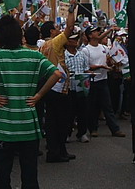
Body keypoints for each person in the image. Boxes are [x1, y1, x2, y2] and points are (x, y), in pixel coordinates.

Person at [0, 15, 61, 189]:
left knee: (2, 175)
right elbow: (57, 74)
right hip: (28, 124)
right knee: (30, 175)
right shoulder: (34, 55)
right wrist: (38, 95)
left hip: (3, 125)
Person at [40, 9, 76, 163]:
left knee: (51, 120)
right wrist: (71, 11)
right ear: (51, 31)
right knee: (61, 120)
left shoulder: (43, 46)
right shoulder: (55, 42)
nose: (59, 30)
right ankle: (57, 151)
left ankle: (55, 149)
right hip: (58, 87)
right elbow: (70, 28)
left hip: (48, 86)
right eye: (56, 28)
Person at [83, 26, 125, 138]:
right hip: (92, 81)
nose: (98, 32)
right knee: (93, 106)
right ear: (90, 35)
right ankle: (93, 129)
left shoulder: (103, 48)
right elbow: (87, 67)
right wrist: (100, 66)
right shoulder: (86, 50)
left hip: (103, 80)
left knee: (108, 106)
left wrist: (111, 63)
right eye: (95, 31)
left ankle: (115, 129)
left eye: (98, 31)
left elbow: (109, 60)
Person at [64, 30, 90, 143]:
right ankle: (67, 133)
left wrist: (89, 74)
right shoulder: (64, 55)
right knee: (69, 112)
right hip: (69, 87)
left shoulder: (81, 54)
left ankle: (82, 133)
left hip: (81, 87)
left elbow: (86, 69)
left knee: (82, 111)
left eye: (76, 39)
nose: (75, 41)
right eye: (72, 39)